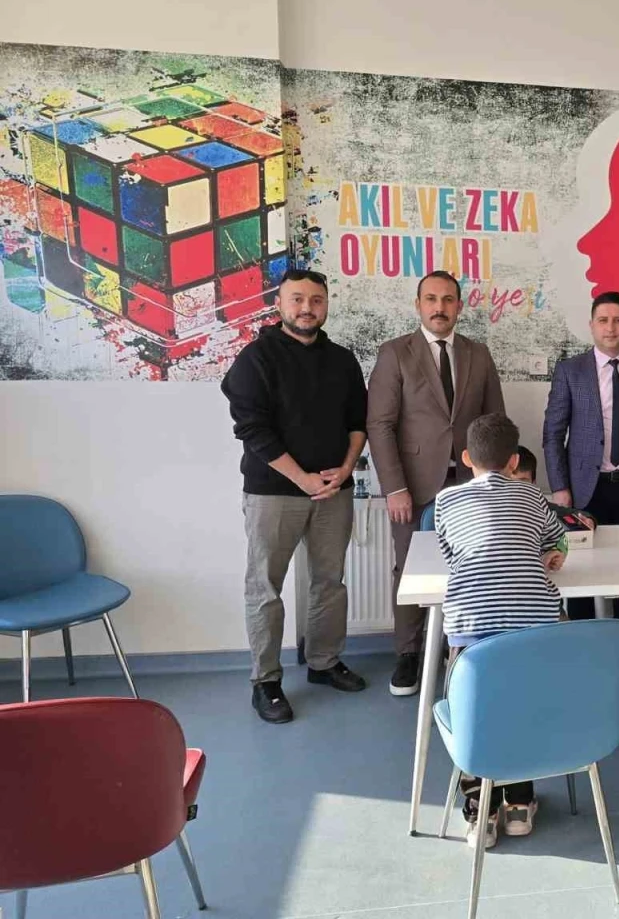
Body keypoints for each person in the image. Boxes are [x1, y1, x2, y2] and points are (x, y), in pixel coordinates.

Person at [221, 269, 369, 724]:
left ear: (326, 305)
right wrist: (302, 478)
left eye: (317, 300)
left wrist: (347, 468)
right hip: (273, 494)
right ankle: (266, 681)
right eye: (298, 299)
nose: (307, 308)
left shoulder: (343, 360)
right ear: (280, 304)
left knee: (330, 582)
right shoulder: (256, 358)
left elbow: (358, 423)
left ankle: (324, 662)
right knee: (265, 587)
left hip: (334, 492)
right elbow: (252, 430)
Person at [367, 270, 506, 697]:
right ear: (418, 305)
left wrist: (496, 482)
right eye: (431, 299)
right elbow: (380, 425)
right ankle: (408, 655)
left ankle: (461, 649)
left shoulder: (478, 354)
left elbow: (494, 423)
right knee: (410, 570)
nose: (439, 307)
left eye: (448, 300)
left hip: (469, 486)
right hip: (413, 485)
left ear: (459, 307)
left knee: (471, 568)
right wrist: (394, 487)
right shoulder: (395, 353)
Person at [434, 413, 569, 848]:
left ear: (466, 458)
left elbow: (452, 553)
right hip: (532, 630)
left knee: (472, 715)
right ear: (514, 461)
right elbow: (555, 537)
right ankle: (519, 805)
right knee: (523, 710)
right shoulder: (532, 496)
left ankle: (481, 812)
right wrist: (549, 553)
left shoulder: (446, 501)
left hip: (471, 632)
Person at [542, 291, 619, 618]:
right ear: (592, 326)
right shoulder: (571, 371)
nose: (610, 328)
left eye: (618, 320)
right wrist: (560, 488)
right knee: (581, 571)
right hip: (585, 490)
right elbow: (553, 434)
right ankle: (584, 638)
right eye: (603, 320)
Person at [511, 445, 596, 530]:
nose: (514, 488)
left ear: (533, 483)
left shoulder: (539, 505)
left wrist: (588, 521)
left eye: (522, 482)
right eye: (508, 481)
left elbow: (577, 514)